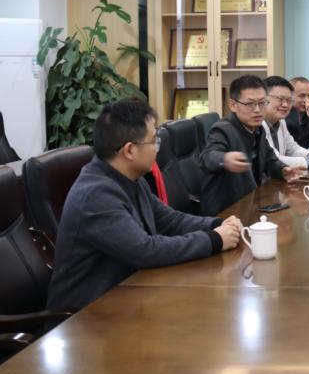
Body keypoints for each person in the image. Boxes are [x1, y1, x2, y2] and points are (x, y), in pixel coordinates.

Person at [47, 99, 241, 311]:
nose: (158, 148)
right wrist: (214, 239)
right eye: (154, 141)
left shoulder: (129, 178)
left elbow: (169, 220)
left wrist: (217, 224)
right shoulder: (96, 195)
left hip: (126, 297)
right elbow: (145, 250)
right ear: (130, 150)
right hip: (85, 316)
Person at [200, 75, 303, 216]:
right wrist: (225, 159)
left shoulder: (258, 128)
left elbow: (269, 160)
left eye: (262, 103)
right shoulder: (223, 129)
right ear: (233, 105)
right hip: (225, 212)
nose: (257, 110)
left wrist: (283, 170)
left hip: (250, 203)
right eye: (250, 104)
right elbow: (207, 156)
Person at [262, 75, 309, 168]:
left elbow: (292, 149)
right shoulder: (258, 124)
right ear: (264, 99)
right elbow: (273, 159)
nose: (285, 104)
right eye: (280, 99)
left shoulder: (281, 121)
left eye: (288, 100)